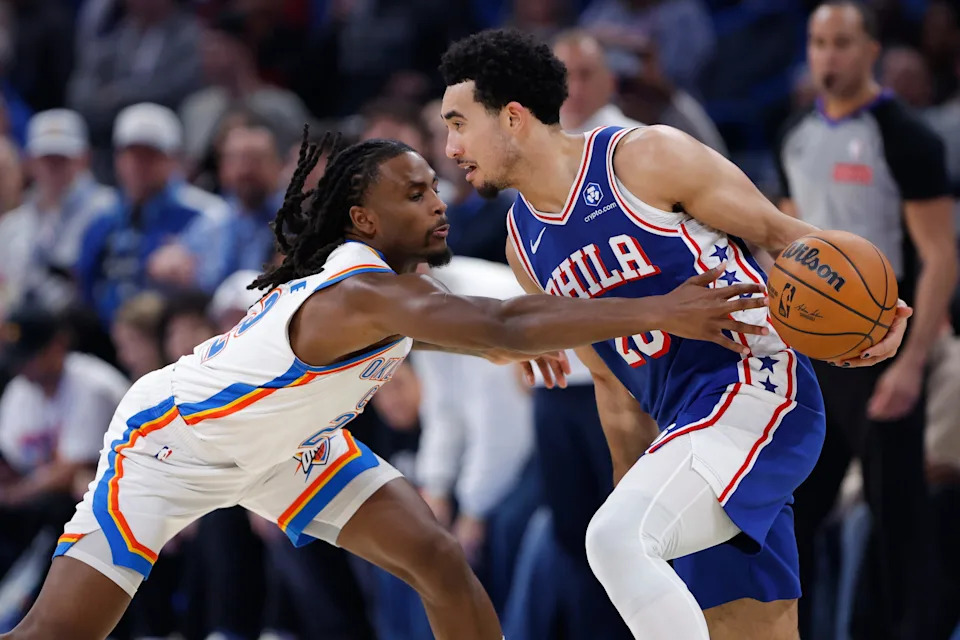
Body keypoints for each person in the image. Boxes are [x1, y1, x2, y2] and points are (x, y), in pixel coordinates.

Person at [1, 128, 773, 640]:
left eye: (435, 185)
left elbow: (497, 313)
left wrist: (525, 337)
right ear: (363, 222)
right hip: (169, 445)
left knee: (437, 561)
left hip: (292, 447)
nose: (438, 202)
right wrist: (665, 307)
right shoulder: (362, 294)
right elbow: (501, 326)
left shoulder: (408, 286)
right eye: (413, 195)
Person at [438, 28, 910, 640]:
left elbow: (780, 234)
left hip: (757, 388)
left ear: (513, 116)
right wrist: (634, 483)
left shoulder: (644, 158)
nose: (450, 147)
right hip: (681, 430)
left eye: (458, 123)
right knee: (745, 627)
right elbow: (610, 383)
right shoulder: (524, 245)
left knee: (612, 538)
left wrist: (877, 316)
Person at [776, 3, 958, 638]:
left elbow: (940, 257)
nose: (828, 55)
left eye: (842, 43)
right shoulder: (795, 129)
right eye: (818, 42)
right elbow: (787, 247)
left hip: (885, 348)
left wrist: (910, 365)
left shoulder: (904, 135)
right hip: (816, 357)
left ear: (871, 49)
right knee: (792, 513)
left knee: (898, 525)